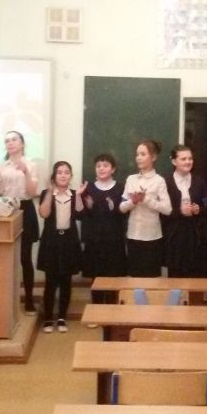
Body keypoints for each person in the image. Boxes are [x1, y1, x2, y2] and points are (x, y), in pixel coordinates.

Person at [37, 161, 84, 333]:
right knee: (50, 281)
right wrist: (50, 191)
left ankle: (62, 317)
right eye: (59, 172)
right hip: (51, 241)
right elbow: (44, 213)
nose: (63, 175)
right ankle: (48, 318)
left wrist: (79, 196)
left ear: (71, 176)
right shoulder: (46, 193)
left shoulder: (74, 194)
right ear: (54, 176)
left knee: (66, 282)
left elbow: (79, 214)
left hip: (69, 242)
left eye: (66, 172)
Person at [0, 130, 40, 315]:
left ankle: (29, 300)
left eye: (14, 139)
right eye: (7, 141)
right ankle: (5, 300)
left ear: (22, 143)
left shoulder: (31, 164)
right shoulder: (1, 166)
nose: (10, 143)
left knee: (25, 257)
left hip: (25, 207)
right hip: (6, 207)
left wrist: (26, 172)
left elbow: (32, 192)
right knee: (5, 257)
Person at [120, 139, 171, 277]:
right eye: (137, 154)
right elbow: (122, 207)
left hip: (152, 237)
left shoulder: (159, 180)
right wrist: (133, 201)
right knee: (134, 278)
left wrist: (146, 199)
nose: (138, 158)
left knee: (151, 278)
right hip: (133, 235)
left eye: (143, 154)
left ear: (153, 157)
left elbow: (167, 209)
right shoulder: (131, 179)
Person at [81, 153, 127, 303]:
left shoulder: (121, 187)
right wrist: (88, 206)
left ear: (113, 169)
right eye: (98, 166)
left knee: (113, 281)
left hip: (114, 241)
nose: (101, 168)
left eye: (105, 165)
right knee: (96, 280)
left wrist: (114, 207)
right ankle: (96, 310)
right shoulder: (88, 188)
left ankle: (112, 312)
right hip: (94, 241)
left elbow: (124, 213)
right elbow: (83, 215)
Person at [162, 144, 207, 277]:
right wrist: (179, 211)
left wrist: (199, 209)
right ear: (174, 161)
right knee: (175, 276)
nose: (188, 162)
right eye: (183, 159)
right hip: (174, 236)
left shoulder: (199, 181)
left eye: (190, 158)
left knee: (195, 276)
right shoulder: (165, 182)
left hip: (195, 236)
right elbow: (161, 211)